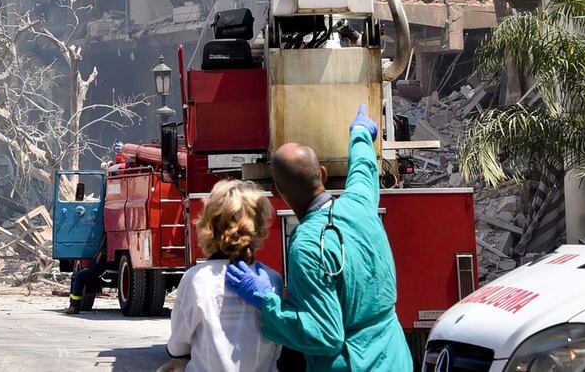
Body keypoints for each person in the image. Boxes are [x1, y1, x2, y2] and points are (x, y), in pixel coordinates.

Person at [225, 105, 412, 372]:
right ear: (323, 174)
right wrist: (360, 133)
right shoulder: (359, 205)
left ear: (278, 191)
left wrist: (267, 301)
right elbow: (362, 170)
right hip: (396, 358)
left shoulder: (306, 246)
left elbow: (324, 335)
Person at [158, 179, 283, 372]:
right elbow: (278, 346)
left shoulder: (196, 279)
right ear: (258, 227)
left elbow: (177, 347)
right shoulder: (271, 279)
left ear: (210, 224)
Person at [66, 235, 108, 315]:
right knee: (75, 276)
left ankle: (74, 306)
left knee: (79, 276)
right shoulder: (103, 237)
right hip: (99, 264)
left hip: (99, 265)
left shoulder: (103, 238)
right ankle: (72, 304)